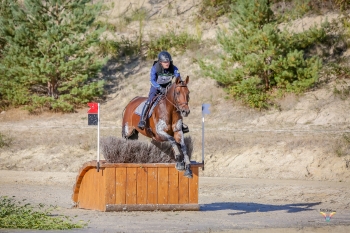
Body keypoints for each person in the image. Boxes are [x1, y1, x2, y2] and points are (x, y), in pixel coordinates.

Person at [138, 51, 189, 133]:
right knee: (150, 100)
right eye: (165, 62)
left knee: (176, 102)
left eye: (168, 61)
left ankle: (180, 123)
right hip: (156, 87)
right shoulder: (155, 68)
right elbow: (152, 80)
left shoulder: (174, 68)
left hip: (168, 87)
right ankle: (142, 120)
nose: (167, 63)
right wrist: (159, 88)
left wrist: (181, 84)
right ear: (160, 62)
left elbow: (179, 79)